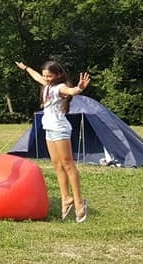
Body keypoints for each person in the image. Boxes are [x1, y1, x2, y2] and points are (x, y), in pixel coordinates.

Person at [16, 60, 91, 222]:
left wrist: (80, 88)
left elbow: (71, 91)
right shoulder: (48, 85)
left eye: (50, 76)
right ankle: (66, 198)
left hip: (60, 129)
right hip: (49, 128)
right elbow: (37, 77)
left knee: (68, 164)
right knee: (57, 165)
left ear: (58, 75)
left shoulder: (59, 87)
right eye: (45, 76)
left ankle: (79, 201)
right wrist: (26, 68)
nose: (47, 78)